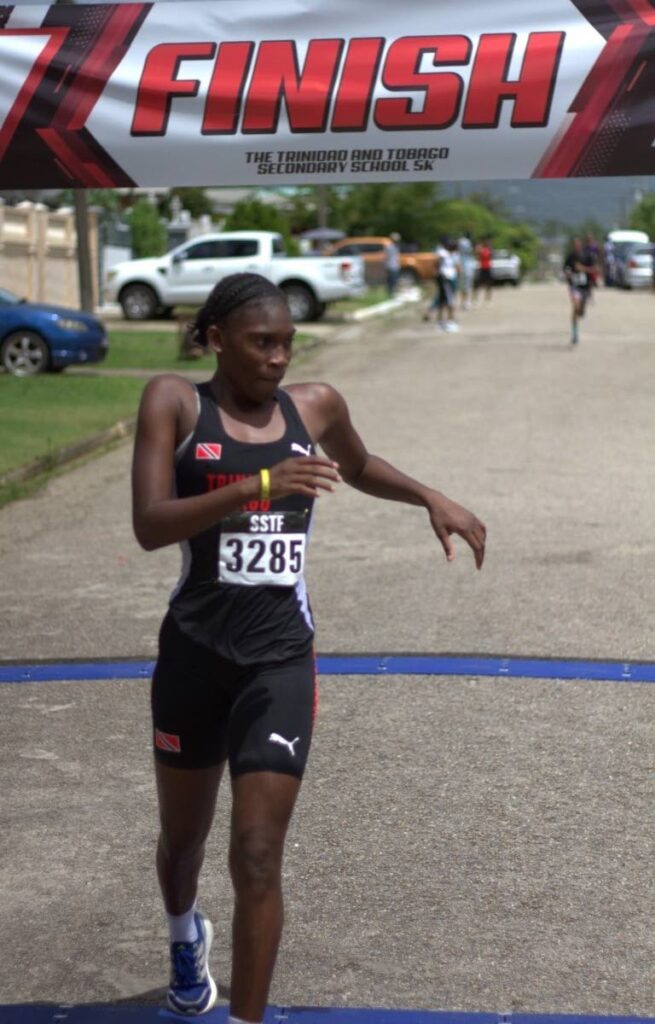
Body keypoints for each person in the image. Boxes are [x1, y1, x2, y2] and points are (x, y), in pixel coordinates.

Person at [131, 272, 487, 1023]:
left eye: (287, 343)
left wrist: (431, 496)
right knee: (182, 842)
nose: (278, 358)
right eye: (262, 343)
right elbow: (151, 523)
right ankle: (181, 936)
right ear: (217, 338)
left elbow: (355, 467)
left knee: (256, 853)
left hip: (279, 659)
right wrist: (256, 485)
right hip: (194, 655)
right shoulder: (173, 401)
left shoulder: (316, 406)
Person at [563, 236, 596, 345]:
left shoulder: (587, 256)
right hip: (574, 286)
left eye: (578, 244)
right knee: (575, 307)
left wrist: (582, 268)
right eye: (574, 244)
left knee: (581, 311)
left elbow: (594, 270)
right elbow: (565, 269)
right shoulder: (570, 257)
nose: (576, 246)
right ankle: (574, 334)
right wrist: (568, 274)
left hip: (585, 287)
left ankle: (580, 311)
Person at [424, 237, 459, 331]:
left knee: (442, 300)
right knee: (449, 300)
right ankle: (449, 321)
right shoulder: (442, 253)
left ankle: (441, 321)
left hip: (448, 277)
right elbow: (437, 263)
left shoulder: (448, 253)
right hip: (446, 278)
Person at [457, 231, 476, 310]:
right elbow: (471, 251)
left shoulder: (460, 242)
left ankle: (464, 302)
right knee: (467, 286)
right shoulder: (466, 242)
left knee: (463, 286)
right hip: (466, 267)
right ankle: (466, 302)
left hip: (464, 266)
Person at [474, 237, 494, 302]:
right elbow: (477, 255)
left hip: (488, 268)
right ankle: (476, 296)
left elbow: (491, 257)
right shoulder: (482, 250)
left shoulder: (489, 250)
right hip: (482, 268)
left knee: (489, 284)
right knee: (479, 283)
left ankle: (488, 297)